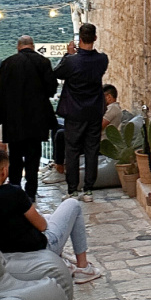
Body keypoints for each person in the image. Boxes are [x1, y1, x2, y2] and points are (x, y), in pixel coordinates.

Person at [0, 145, 98, 282]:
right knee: (72, 205)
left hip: (5, 248)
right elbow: (42, 226)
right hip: (36, 248)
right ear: (4, 171)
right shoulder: (14, 193)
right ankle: (84, 268)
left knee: (49, 217)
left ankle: (64, 263)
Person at [0, 34, 57, 198]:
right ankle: (31, 192)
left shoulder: (8, 63)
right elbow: (51, 90)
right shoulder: (43, 62)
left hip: (14, 121)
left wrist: (0, 117)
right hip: (37, 120)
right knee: (34, 158)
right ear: (32, 46)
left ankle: (15, 190)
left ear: (18, 47)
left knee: (15, 157)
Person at [53, 25, 109, 201]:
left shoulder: (72, 61)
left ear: (79, 40)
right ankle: (89, 190)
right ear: (95, 38)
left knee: (72, 150)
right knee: (92, 149)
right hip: (94, 111)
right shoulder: (102, 59)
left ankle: (72, 190)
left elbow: (57, 72)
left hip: (74, 111)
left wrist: (69, 54)